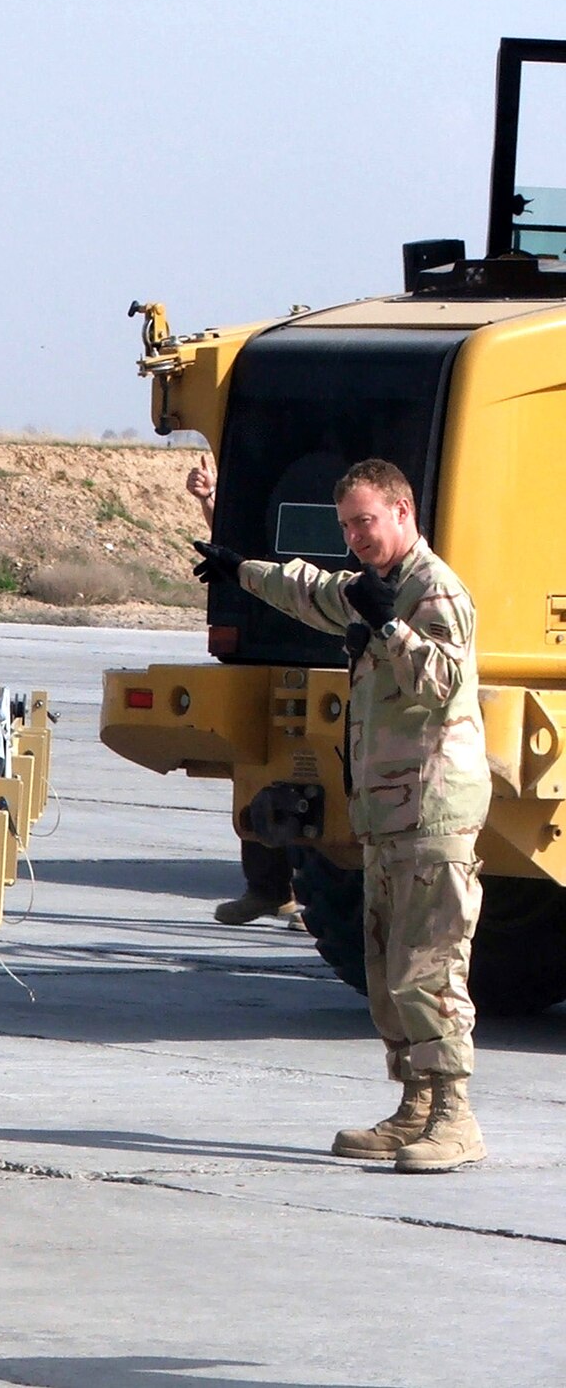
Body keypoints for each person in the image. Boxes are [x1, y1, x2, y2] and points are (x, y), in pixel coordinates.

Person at [192, 459, 491, 1172]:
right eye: (347, 526)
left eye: (367, 520)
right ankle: (414, 1107)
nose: (356, 536)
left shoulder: (431, 590)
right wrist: (240, 570)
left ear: (403, 511)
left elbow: (442, 681)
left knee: (429, 965)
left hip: (433, 809)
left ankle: (456, 1117)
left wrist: (387, 627)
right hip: (388, 812)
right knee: (388, 968)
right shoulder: (370, 588)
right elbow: (312, 590)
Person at [187, 451, 302, 928]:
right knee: (259, 766)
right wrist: (211, 498)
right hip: (271, 639)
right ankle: (267, 889)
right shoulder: (278, 491)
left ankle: (308, 897)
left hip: (324, 639)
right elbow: (232, 546)